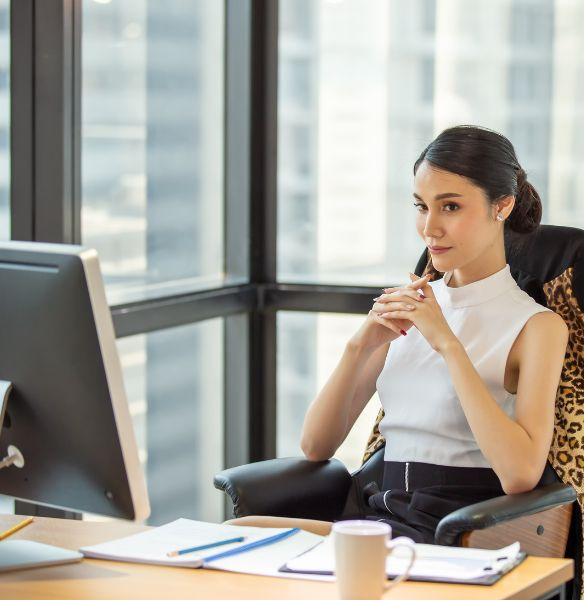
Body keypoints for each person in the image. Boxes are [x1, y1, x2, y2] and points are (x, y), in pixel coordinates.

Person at [229, 125, 569, 542]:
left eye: (450, 207)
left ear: (502, 206)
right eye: (421, 206)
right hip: (377, 512)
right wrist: (360, 345)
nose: (430, 229)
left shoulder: (536, 326)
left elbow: (520, 475)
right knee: (237, 537)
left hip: (457, 528)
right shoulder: (413, 306)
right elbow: (316, 445)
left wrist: (448, 344)